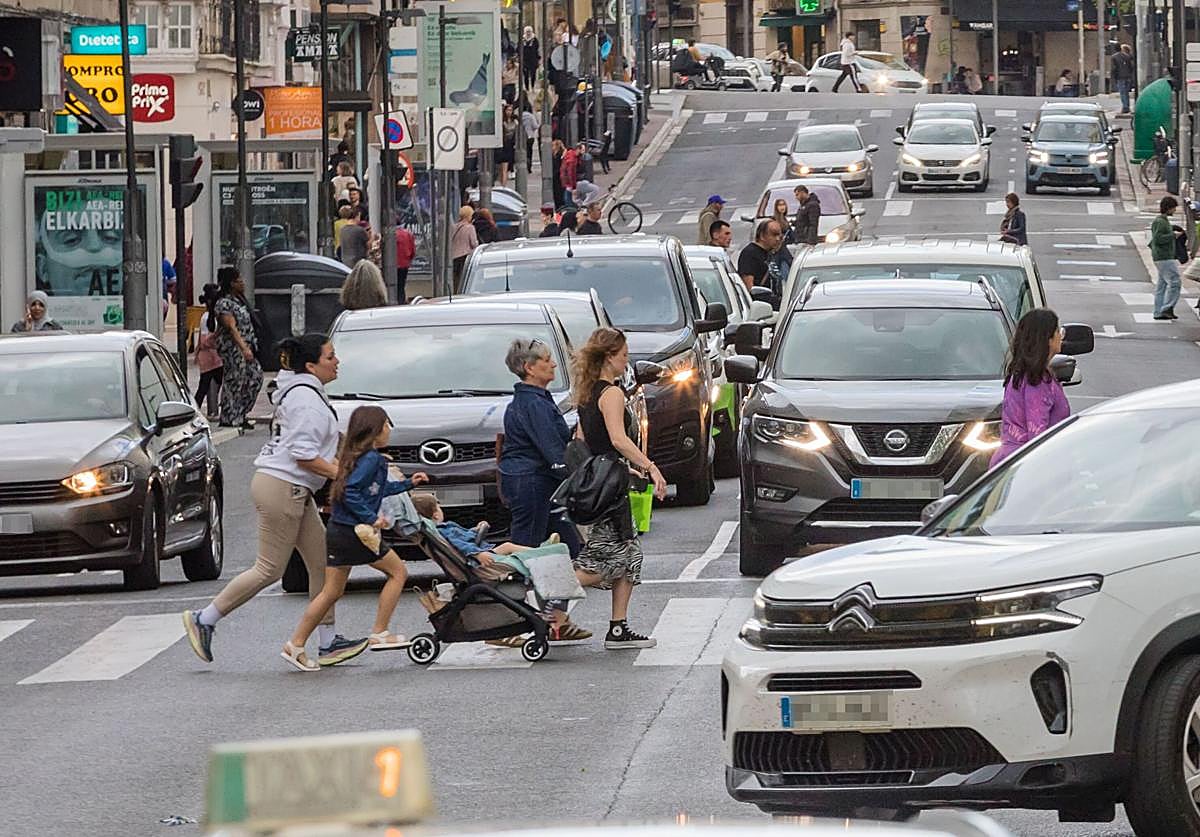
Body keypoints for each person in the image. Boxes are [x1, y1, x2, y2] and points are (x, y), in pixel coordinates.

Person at [183, 335, 360, 667]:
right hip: (284, 486)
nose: (337, 362)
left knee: (323, 562)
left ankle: (328, 641)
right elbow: (304, 454)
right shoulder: (306, 400)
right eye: (330, 356)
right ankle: (204, 619)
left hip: (289, 487)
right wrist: (344, 475)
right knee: (269, 568)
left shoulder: (305, 393)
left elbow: (323, 443)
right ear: (311, 365)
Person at [281, 406, 429, 671]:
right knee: (398, 573)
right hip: (356, 533)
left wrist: (409, 485)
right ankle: (380, 631)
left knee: (331, 592)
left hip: (339, 531)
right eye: (386, 424)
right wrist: (370, 518)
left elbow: (377, 489)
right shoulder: (372, 459)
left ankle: (296, 644)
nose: (389, 429)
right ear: (375, 430)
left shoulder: (358, 457)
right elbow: (351, 492)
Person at [572, 328, 665, 649]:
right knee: (602, 563)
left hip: (600, 482)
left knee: (628, 554)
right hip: (609, 486)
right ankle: (546, 593)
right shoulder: (611, 394)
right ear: (609, 357)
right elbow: (618, 438)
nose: (627, 362)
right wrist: (649, 466)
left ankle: (617, 627)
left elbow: (581, 442)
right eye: (624, 356)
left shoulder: (586, 394)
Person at [497, 337, 590, 642]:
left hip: (540, 484)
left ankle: (556, 619)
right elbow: (554, 452)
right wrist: (582, 478)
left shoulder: (536, 399)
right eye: (547, 359)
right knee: (526, 555)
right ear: (529, 367)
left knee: (566, 552)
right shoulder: (533, 404)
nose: (553, 364)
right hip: (533, 484)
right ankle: (505, 622)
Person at [990, 309, 1070, 467]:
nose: (1061, 336)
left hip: (1009, 462)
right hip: (1026, 465)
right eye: (1057, 331)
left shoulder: (1020, 375)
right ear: (1047, 338)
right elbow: (1037, 435)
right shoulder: (1037, 381)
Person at [410, 494, 545, 571]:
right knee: (508, 546)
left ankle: (539, 552)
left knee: (508, 547)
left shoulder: (445, 530)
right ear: (435, 515)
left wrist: (476, 530)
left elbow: (463, 537)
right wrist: (478, 554)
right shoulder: (444, 530)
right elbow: (460, 544)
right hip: (476, 559)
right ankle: (540, 554)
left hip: (478, 553)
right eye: (439, 507)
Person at [213, 266, 263, 431]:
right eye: (239, 281)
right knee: (235, 380)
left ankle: (241, 413)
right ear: (231, 283)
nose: (243, 283)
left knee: (254, 377)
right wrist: (243, 348)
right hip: (234, 348)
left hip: (247, 344)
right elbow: (232, 328)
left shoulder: (239, 301)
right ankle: (229, 416)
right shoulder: (224, 303)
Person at [1151, 195, 1186, 320]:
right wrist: (1173, 235)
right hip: (1164, 257)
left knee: (1162, 285)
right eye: (1173, 208)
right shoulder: (1160, 222)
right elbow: (1158, 239)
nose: (1175, 211)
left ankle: (1158, 311)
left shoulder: (1162, 221)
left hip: (1162, 256)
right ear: (1169, 208)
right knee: (1175, 282)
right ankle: (1167, 308)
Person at [194, 283, 224, 419]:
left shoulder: (214, 316)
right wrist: (218, 334)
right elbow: (205, 341)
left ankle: (198, 409)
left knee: (208, 383)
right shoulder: (207, 318)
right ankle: (194, 410)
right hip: (209, 356)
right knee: (205, 385)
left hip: (215, 356)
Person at [737, 219, 784, 291]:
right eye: (774, 235)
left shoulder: (770, 253)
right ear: (762, 236)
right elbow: (749, 287)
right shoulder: (750, 254)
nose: (777, 239)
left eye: (779, 236)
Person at [451, 206, 479, 288]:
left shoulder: (454, 227)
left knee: (456, 279)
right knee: (464, 279)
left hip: (454, 257)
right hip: (465, 257)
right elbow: (474, 244)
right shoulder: (470, 227)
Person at [498, 103, 518, 186]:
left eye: (510, 110)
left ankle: (503, 185)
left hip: (510, 146)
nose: (509, 112)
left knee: (505, 168)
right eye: (507, 110)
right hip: (502, 145)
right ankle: (501, 183)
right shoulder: (502, 121)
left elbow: (517, 133)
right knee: (501, 168)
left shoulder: (515, 121)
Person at [394, 224, 414, 305]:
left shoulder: (390, 234)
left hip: (393, 265)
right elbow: (412, 250)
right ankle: (401, 302)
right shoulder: (408, 234)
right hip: (404, 264)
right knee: (401, 286)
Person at [1112, 44, 1135, 114]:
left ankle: (1125, 107)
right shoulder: (1127, 56)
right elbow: (1131, 66)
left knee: (1122, 92)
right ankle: (1127, 106)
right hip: (1128, 76)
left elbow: (1114, 68)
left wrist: (1114, 77)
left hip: (1120, 77)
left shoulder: (1114, 57)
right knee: (1126, 92)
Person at [560, 142, 580, 207]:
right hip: (568, 180)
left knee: (568, 194)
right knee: (569, 196)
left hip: (565, 178)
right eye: (582, 150)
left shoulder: (570, 154)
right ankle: (569, 209)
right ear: (578, 149)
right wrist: (573, 185)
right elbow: (571, 173)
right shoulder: (572, 159)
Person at [521, 103, 539, 173]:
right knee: (529, 152)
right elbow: (535, 126)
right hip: (530, 136)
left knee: (523, 151)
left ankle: (523, 164)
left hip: (522, 137)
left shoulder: (520, 116)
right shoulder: (531, 116)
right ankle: (529, 166)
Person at [551, 139, 566, 208]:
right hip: (559, 178)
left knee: (558, 196)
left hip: (558, 179)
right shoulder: (559, 155)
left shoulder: (558, 156)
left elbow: (557, 168)